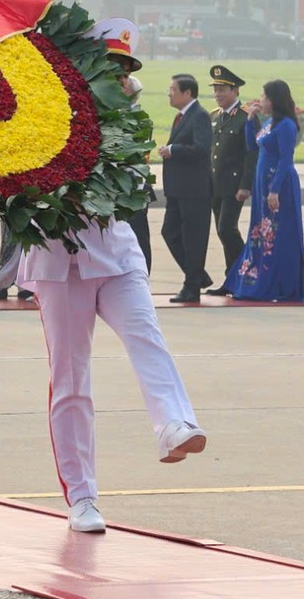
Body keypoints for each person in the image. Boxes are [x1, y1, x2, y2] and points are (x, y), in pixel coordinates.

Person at [23, 205, 207, 534]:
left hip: (116, 253)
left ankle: (173, 425)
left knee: (147, 339)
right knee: (70, 377)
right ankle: (81, 497)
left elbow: (132, 186)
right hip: (58, 262)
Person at [225, 80, 304, 303]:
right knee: (261, 231)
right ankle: (256, 277)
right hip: (263, 184)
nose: (260, 100)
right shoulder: (270, 122)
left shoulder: (287, 125)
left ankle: (279, 282)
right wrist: (250, 121)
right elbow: (253, 146)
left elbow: (285, 159)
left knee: (278, 233)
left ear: (274, 100)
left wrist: (275, 191)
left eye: (264, 96)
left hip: (278, 185)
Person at [91, 18, 154, 275]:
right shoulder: (78, 112)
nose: (122, 81)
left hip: (122, 214)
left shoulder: (135, 118)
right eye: (114, 73)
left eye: (125, 75)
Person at [157, 72, 213, 303]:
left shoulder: (199, 116)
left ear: (187, 93)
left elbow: (202, 148)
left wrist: (173, 150)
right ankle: (197, 276)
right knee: (169, 232)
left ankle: (192, 287)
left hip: (194, 190)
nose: (169, 94)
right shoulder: (182, 116)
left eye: (173, 90)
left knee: (193, 239)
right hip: (178, 189)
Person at [206, 66, 250, 297]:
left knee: (227, 228)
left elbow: (250, 154)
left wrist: (246, 185)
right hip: (216, 185)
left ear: (235, 91)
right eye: (216, 89)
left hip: (234, 186)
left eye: (222, 89)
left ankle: (246, 272)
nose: (218, 94)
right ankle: (232, 280)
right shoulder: (214, 116)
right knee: (222, 232)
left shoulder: (245, 117)